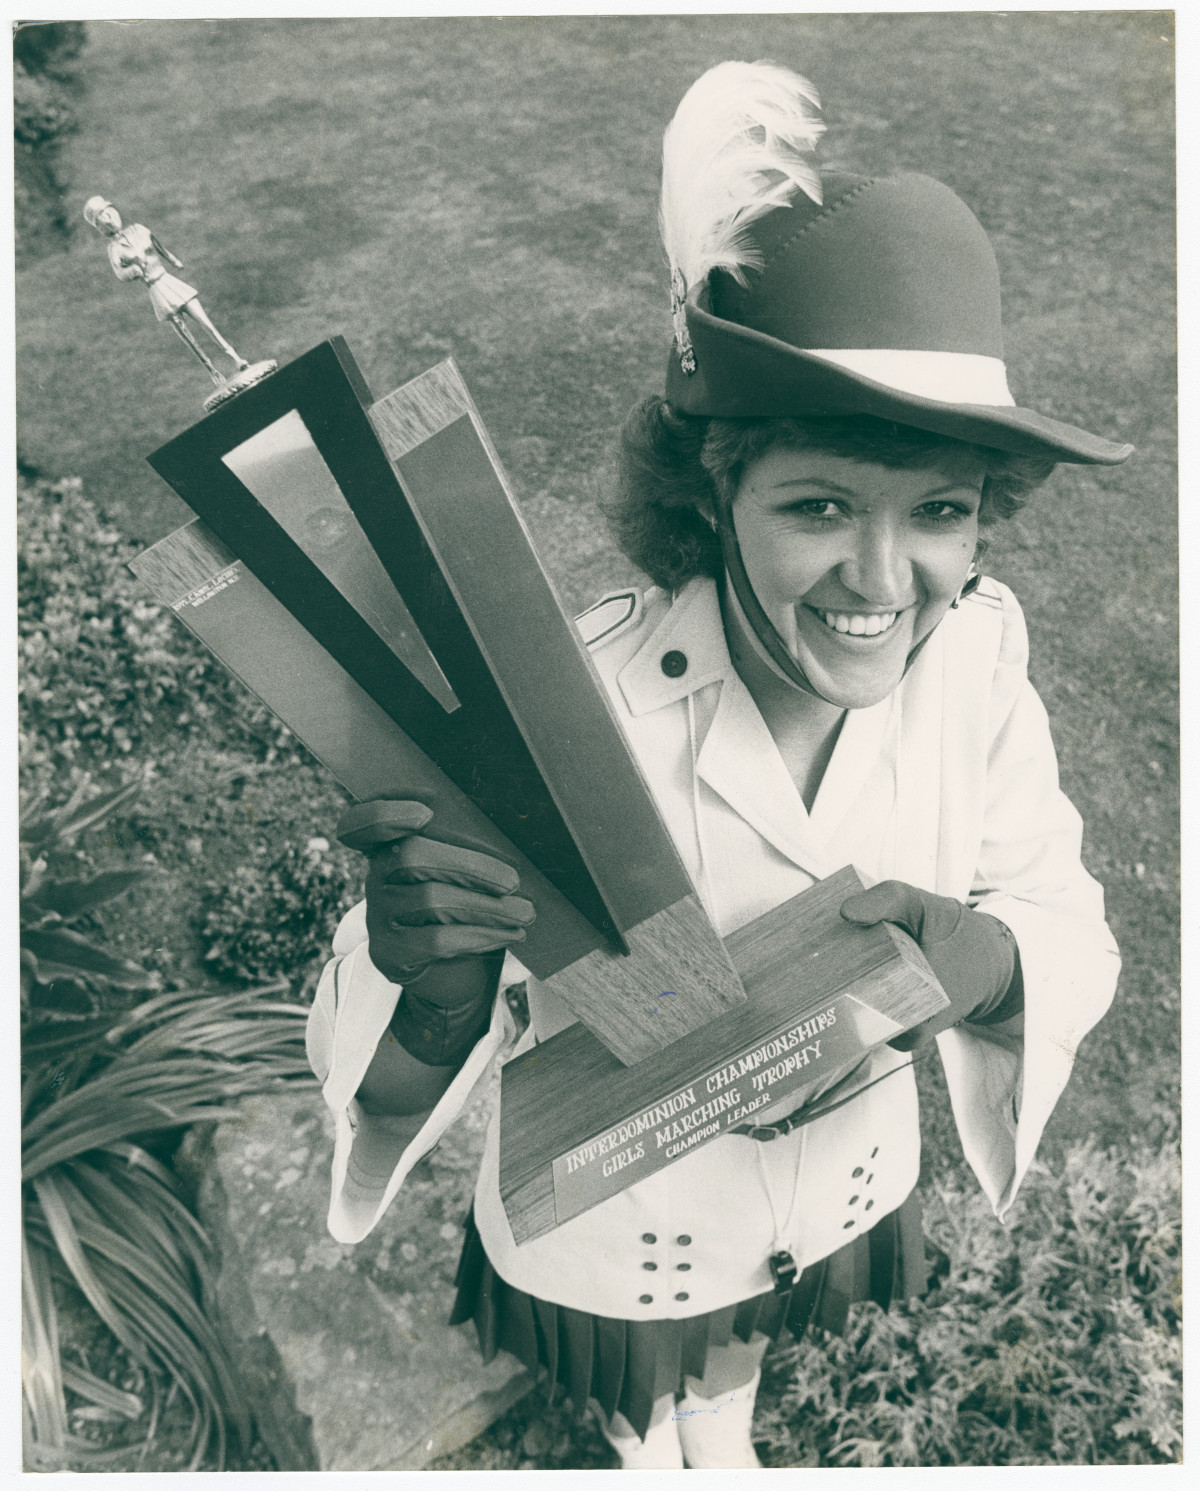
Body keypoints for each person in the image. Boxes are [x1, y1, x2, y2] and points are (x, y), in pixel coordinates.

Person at [305, 61, 1131, 1469]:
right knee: (648, 1374)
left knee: (735, 1362)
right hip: (623, 1204)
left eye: (940, 509)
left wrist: (987, 959)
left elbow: (1053, 898)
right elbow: (394, 1038)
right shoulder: (578, 703)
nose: (884, 577)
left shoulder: (980, 653)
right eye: (818, 505)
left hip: (834, 1177)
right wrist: (428, 980)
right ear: (709, 490)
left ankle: (723, 1432)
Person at [83, 195, 250, 385]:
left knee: (205, 322)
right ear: (100, 227)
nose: (110, 218)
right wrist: (132, 272)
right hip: (156, 290)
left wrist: (174, 261)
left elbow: (159, 247)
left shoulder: (139, 229)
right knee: (187, 336)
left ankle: (236, 358)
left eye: (109, 212)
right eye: (103, 218)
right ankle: (212, 371)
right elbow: (120, 273)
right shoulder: (114, 249)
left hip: (168, 280)